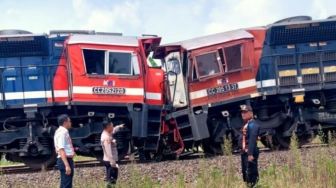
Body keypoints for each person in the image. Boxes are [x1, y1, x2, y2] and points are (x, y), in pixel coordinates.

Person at [240, 104, 260, 187]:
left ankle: (253, 185)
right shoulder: (247, 124)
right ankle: (249, 185)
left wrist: (250, 154)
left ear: (251, 113)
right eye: (242, 112)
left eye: (245, 112)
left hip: (250, 152)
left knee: (251, 172)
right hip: (245, 152)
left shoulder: (253, 125)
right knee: (245, 171)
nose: (243, 114)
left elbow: (252, 139)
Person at [54, 114, 75, 188]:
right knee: (67, 185)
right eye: (69, 121)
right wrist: (67, 165)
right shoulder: (62, 133)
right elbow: (61, 149)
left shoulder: (60, 131)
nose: (70, 123)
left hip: (64, 159)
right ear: (65, 122)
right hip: (65, 160)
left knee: (64, 183)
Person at [101, 121, 124, 186]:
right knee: (112, 180)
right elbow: (109, 151)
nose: (113, 127)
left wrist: (119, 127)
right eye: (112, 126)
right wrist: (113, 163)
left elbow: (113, 130)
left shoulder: (107, 132)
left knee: (111, 179)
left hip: (109, 160)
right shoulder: (106, 137)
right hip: (110, 161)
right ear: (108, 127)